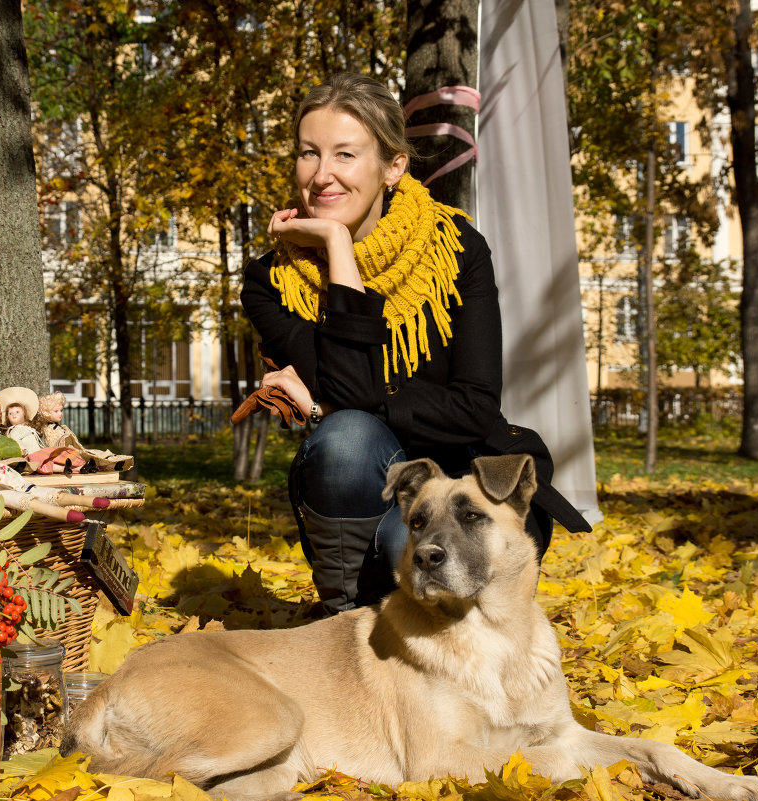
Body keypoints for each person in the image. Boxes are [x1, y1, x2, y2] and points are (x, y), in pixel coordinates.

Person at [240, 72, 590, 613]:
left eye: (345, 155)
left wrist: (327, 406)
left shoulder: (455, 249)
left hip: (471, 484)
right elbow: (352, 389)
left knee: (413, 531)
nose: (322, 175)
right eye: (309, 154)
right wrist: (338, 248)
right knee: (347, 440)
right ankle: (347, 624)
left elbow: (473, 409)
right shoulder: (273, 281)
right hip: (375, 495)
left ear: (394, 166)